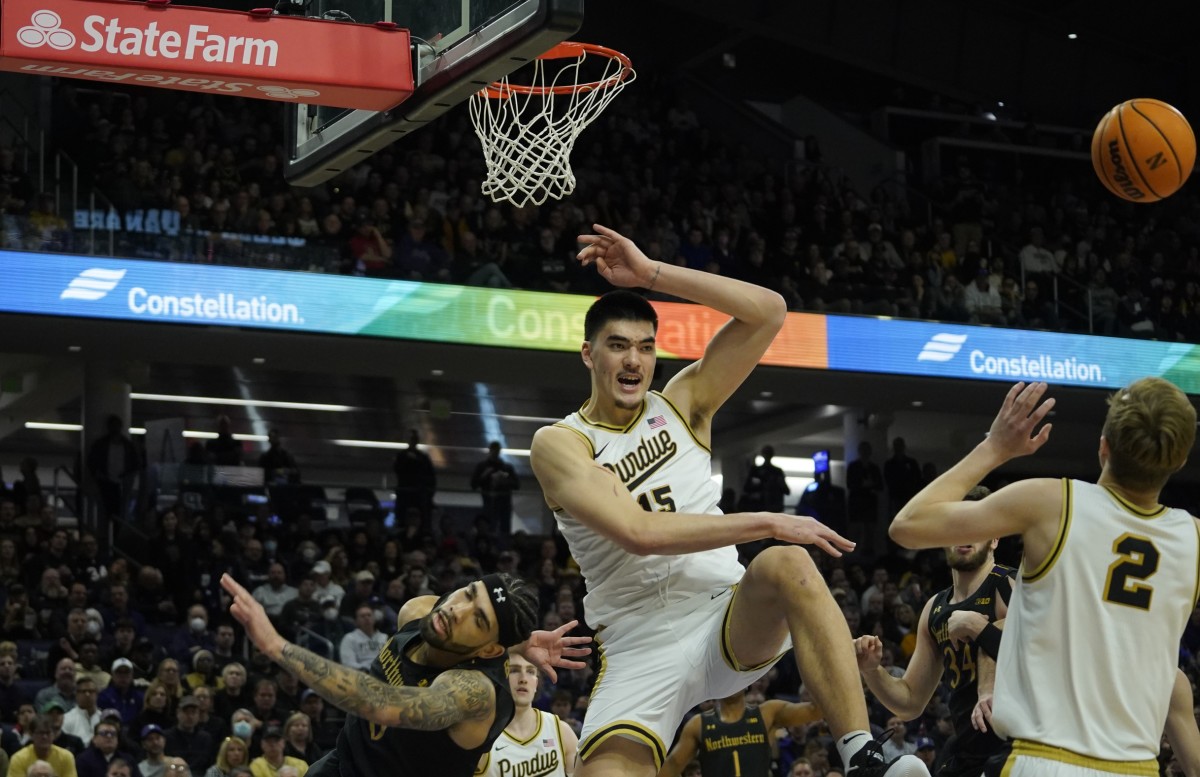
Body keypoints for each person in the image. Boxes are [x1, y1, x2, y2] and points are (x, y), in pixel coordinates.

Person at [529, 224, 927, 777]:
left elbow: (769, 310)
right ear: (588, 354)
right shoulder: (560, 442)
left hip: (723, 615)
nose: (633, 362)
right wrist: (766, 519)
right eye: (617, 346)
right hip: (637, 642)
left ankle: (862, 757)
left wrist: (651, 274)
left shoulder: (685, 402)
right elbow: (636, 532)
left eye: (645, 348)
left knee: (786, 562)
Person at [889, 379, 1200, 776]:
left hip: (1047, 759)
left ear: (1103, 445)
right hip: (1137, 765)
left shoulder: (1053, 502)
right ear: (1180, 461)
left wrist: (994, 447)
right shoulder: (1192, 539)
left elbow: (908, 525)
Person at [219, 572, 589, 777]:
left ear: (489, 650)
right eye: (467, 593)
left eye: (478, 620)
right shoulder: (418, 612)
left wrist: (273, 645)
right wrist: (516, 643)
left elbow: (377, 703)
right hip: (344, 763)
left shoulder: (475, 691)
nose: (455, 610)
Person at [854, 486, 1013, 777]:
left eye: (975, 526)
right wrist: (872, 671)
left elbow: (1043, 662)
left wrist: (978, 628)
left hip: (1016, 747)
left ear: (994, 538)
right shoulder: (934, 608)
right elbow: (910, 702)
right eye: (956, 527)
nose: (964, 535)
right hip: (968, 750)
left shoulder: (1010, 585)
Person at [657, 689, 821, 777]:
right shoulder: (698, 724)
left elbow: (817, 710)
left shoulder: (768, 713)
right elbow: (671, 767)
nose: (732, 678)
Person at [476, 651, 578, 777]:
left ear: (536, 683)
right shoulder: (480, 739)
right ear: (499, 678)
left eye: (530, 672)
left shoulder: (561, 731)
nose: (523, 679)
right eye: (514, 670)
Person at [470, 443, 519, 540]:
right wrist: (484, 476)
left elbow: (517, 485)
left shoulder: (507, 468)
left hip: (504, 503)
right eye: (494, 450)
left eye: (497, 451)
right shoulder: (482, 466)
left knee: (504, 527)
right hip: (490, 503)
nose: (495, 453)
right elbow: (473, 484)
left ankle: (503, 544)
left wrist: (504, 481)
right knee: (489, 525)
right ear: (490, 450)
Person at [6, 716, 77, 777]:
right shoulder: (18, 759)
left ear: (54, 734)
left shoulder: (66, 757)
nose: (44, 737)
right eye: (40, 733)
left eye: (48, 733)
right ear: (31, 734)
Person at [338, 605, 387, 672]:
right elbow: (348, 663)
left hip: (385, 675)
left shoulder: (385, 638)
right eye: (362, 616)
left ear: (374, 619)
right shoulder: (349, 638)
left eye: (369, 615)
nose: (367, 618)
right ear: (356, 621)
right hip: (362, 674)